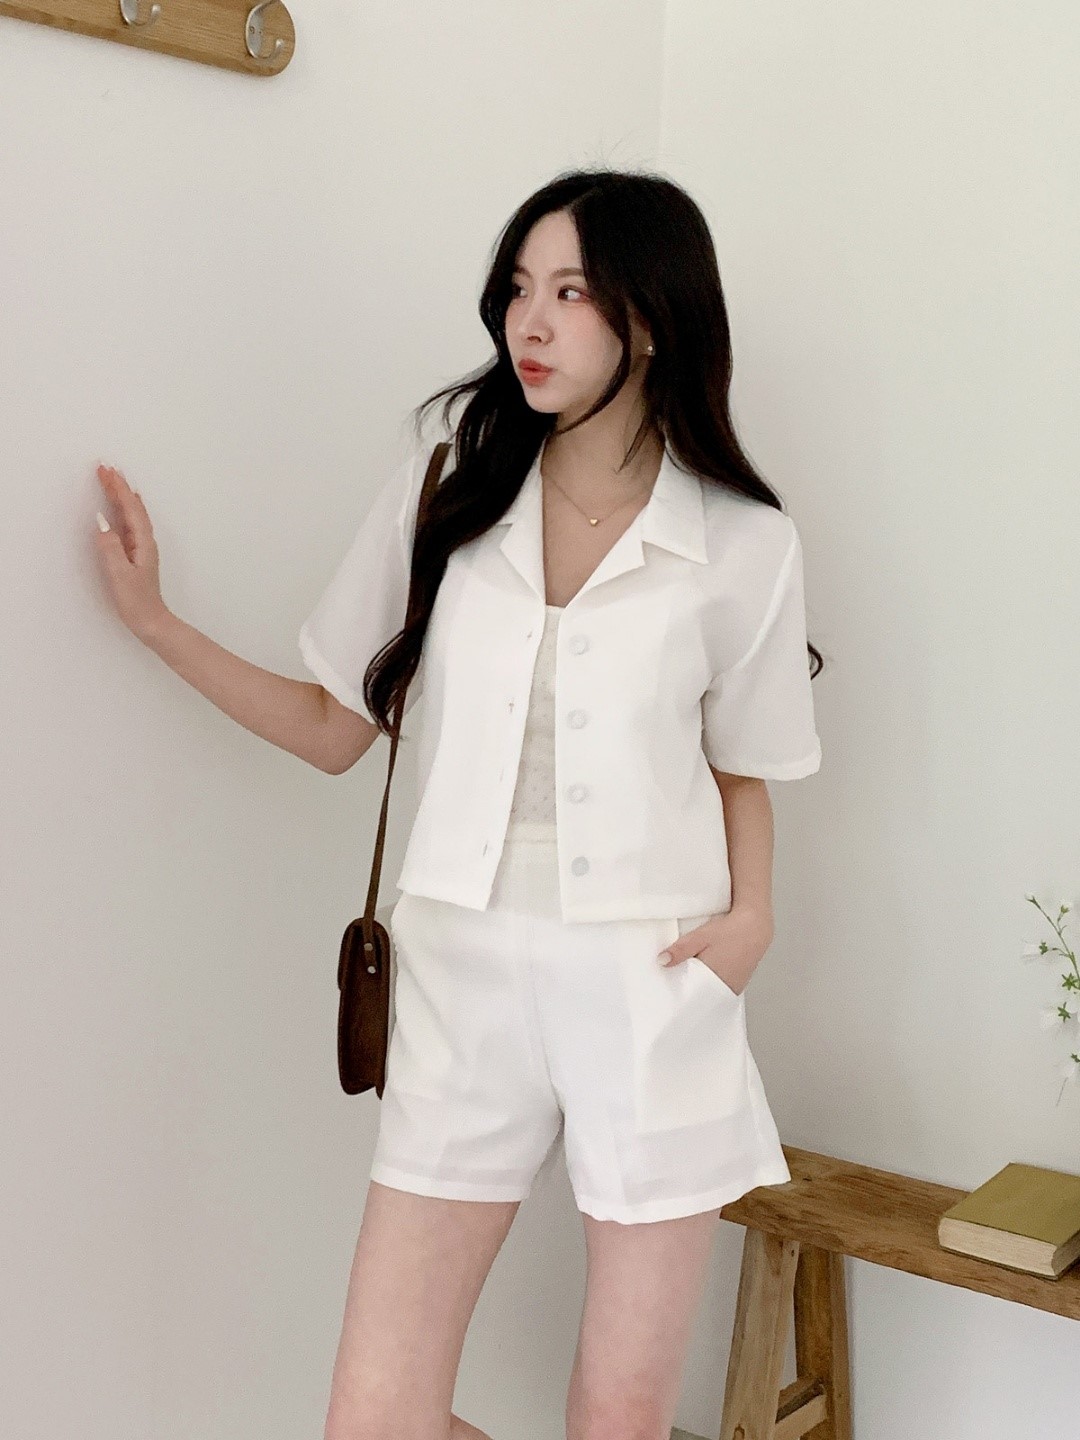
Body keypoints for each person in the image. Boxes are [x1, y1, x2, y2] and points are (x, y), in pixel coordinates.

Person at [93, 167, 824, 1440]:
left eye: (570, 293)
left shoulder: (743, 544)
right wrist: (159, 626)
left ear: (652, 319)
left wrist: (752, 916)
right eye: (518, 290)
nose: (528, 323)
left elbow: (743, 763)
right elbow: (336, 728)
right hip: (459, 971)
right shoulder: (449, 485)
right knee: (375, 1420)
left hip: (651, 980)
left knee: (617, 1417)